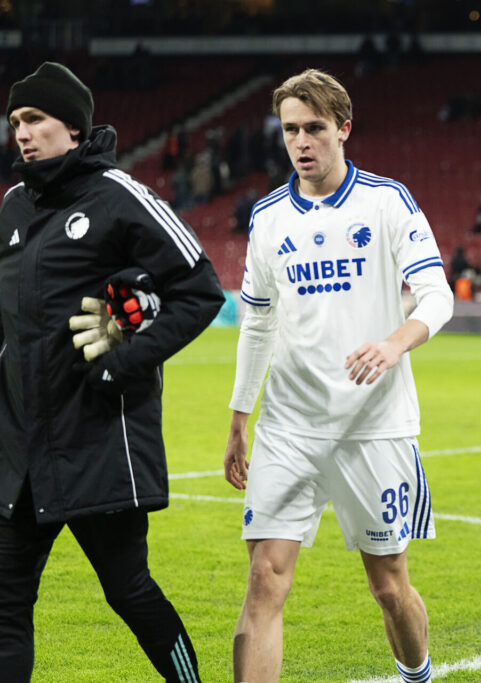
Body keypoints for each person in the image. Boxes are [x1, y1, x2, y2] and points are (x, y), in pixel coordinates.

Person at [223, 69, 453, 683]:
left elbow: (437, 295)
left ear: (343, 129)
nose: (301, 141)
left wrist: (395, 343)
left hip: (372, 426)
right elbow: (258, 324)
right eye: (291, 129)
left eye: (314, 129)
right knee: (264, 579)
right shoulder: (268, 217)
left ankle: (416, 674)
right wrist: (241, 416)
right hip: (289, 427)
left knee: (387, 584)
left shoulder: (386, 201)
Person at [0, 62, 224, 681]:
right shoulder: (14, 206)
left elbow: (200, 291)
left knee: (128, 591)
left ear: (72, 127)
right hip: (22, 453)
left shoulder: (119, 195)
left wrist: (120, 366)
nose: (21, 132)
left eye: (35, 119)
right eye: (16, 120)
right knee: (6, 607)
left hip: (98, 440)